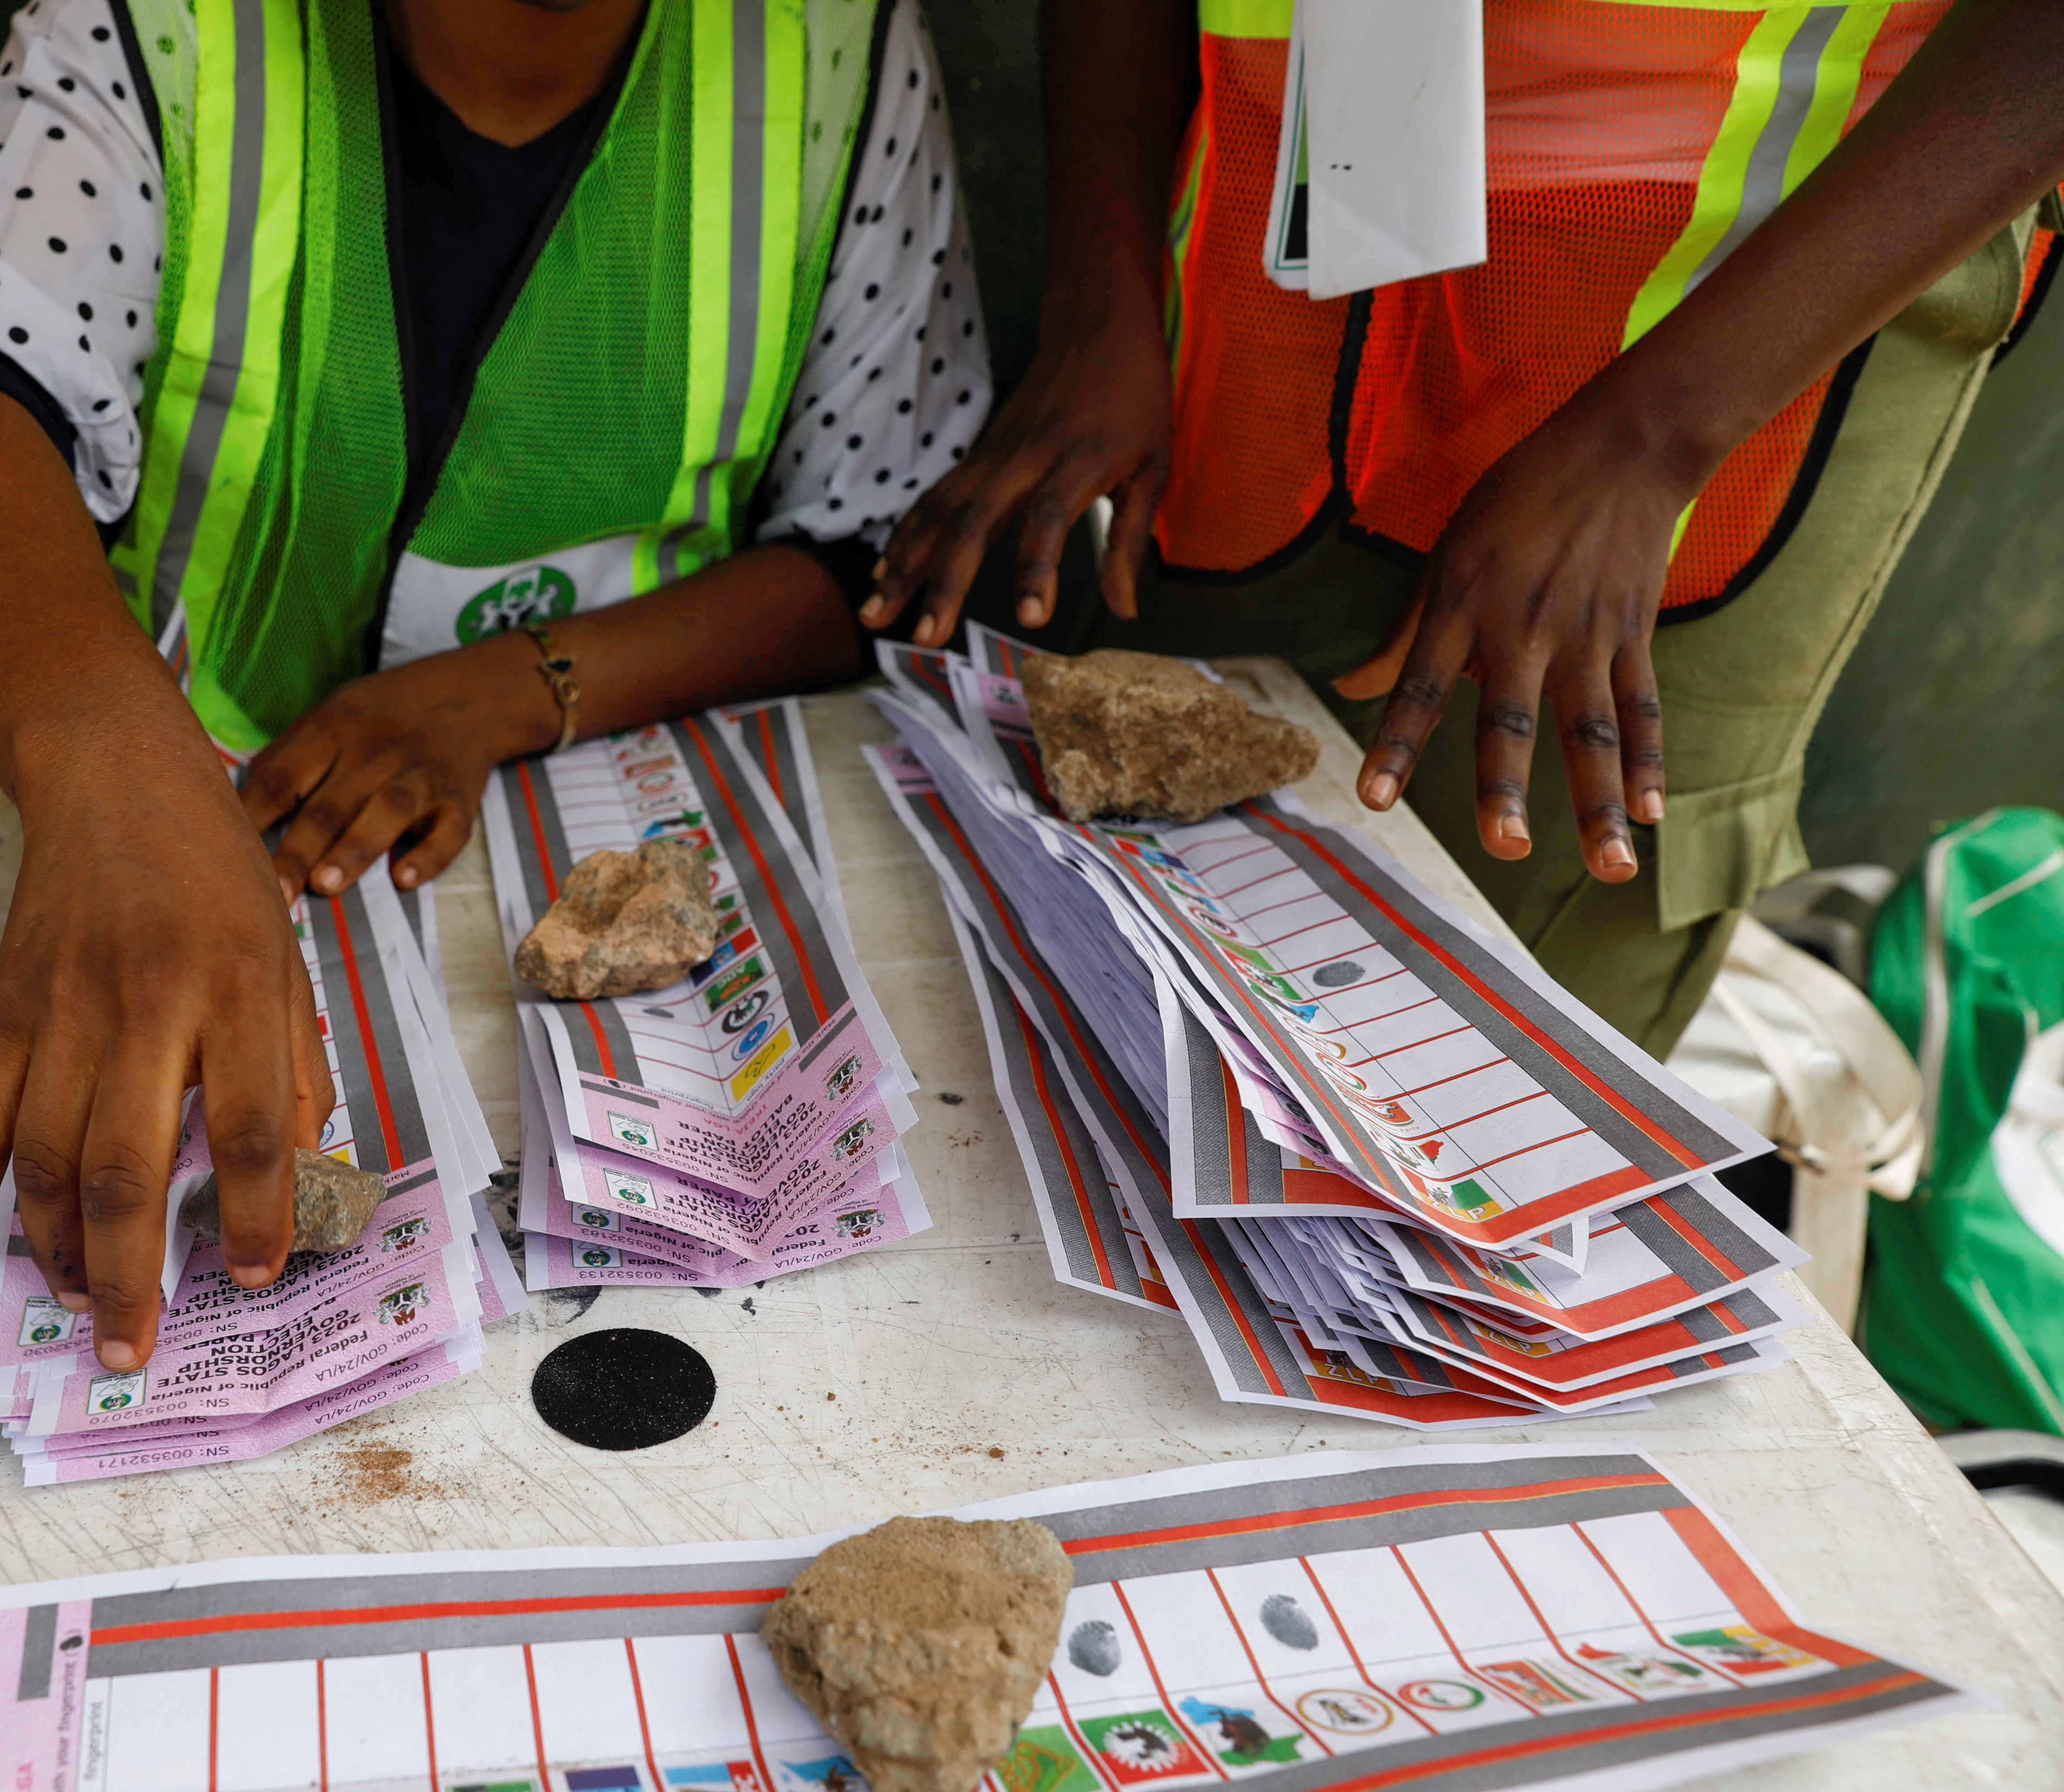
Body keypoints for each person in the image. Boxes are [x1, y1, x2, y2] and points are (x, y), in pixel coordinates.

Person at [0, 0, 991, 1372]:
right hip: (198, 840)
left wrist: (505, 689)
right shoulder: (159, 29)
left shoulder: (829, 42)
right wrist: (112, 775)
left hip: (611, 845)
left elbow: (873, 540)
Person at [864, 0, 2064, 1059]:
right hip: (1276, 225)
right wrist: (1099, 286)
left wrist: (1647, 445)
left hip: (1738, 315)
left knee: (1501, 1030)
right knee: (1149, 894)